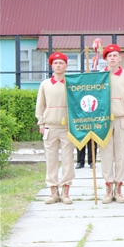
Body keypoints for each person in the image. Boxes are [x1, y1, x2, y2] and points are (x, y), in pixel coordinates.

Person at [35, 52, 75, 205]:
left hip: (67, 127)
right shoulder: (45, 84)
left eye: (61, 63)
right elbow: (40, 105)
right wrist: (41, 123)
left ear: (66, 65)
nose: (58, 66)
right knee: (51, 160)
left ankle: (66, 191)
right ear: (51, 65)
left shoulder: (70, 83)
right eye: (55, 63)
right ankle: (53, 191)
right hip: (50, 126)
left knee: (68, 160)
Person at [99, 44, 124, 204]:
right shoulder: (100, 76)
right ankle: (108, 188)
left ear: (120, 58)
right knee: (106, 155)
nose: (112, 58)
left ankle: (119, 188)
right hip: (104, 120)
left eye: (115, 55)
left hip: (121, 118)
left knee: (120, 155)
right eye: (109, 56)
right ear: (105, 59)